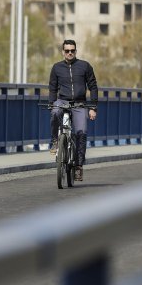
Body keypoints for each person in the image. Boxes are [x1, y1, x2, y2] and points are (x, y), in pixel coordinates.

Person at [48, 39, 98, 182]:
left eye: (72, 50)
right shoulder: (56, 68)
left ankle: (78, 166)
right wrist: (52, 103)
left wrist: (93, 107)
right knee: (55, 112)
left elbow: (93, 86)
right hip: (62, 101)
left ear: (76, 51)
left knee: (81, 132)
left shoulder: (85, 66)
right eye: (67, 51)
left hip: (79, 103)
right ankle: (55, 141)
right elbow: (52, 87)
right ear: (63, 52)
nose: (70, 53)